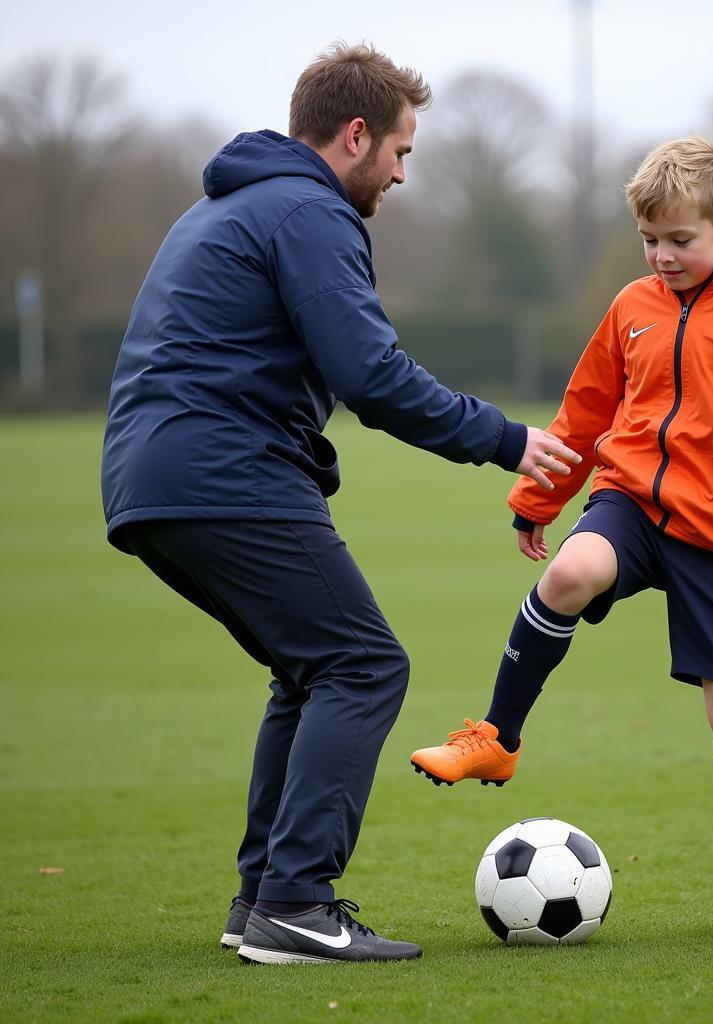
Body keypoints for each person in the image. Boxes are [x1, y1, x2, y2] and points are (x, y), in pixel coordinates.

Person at [100, 43, 579, 966]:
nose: (403, 172)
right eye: (400, 150)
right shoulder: (309, 212)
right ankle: (296, 904)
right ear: (355, 135)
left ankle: (261, 903)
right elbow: (372, 376)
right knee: (363, 666)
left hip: (152, 480)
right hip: (225, 474)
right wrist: (508, 439)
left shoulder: (227, 203)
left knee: (311, 671)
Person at [410, 136, 713, 941]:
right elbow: (587, 411)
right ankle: (495, 737)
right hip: (632, 498)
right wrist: (539, 498)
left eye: (680, 240)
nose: (661, 256)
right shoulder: (632, 309)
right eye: (649, 240)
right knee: (572, 570)